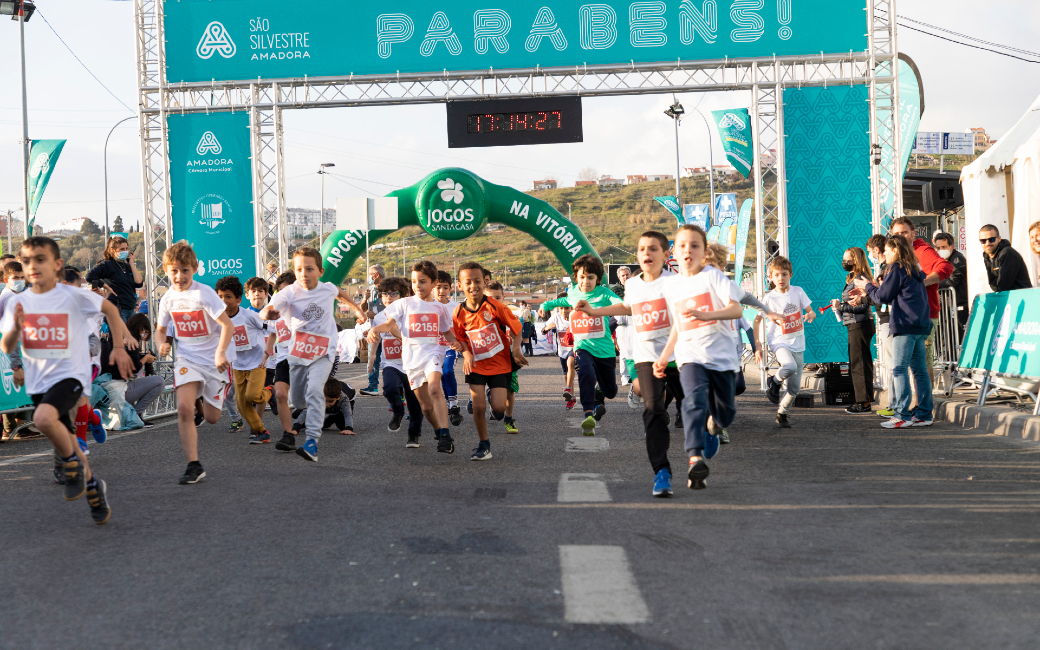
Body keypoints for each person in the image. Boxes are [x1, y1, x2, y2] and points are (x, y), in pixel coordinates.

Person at [0, 236, 134, 524]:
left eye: (40, 259)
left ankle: (70, 463)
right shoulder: (17, 302)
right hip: (39, 381)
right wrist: (17, 351)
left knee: (44, 419)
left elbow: (110, 309)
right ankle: (93, 486)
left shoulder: (71, 295)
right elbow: (7, 342)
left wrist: (120, 348)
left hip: (71, 376)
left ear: (57, 264)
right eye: (26, 261)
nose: (32, 266)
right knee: (70, 440)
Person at [576, 231, 682, 496]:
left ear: (667, 255)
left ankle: (705, 437)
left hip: (679, 356)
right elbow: (627, 308)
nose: (647, 253)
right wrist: (593, 311)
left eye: (653, 249)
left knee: (693, 406)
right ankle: (662, 472)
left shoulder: (677, 283)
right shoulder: (634, 285)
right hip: (646, 357)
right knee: (653, 411)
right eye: (642, 249)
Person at [656, 225, 744, 491]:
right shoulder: (671, 286)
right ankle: (695, 458)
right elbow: (677, 325)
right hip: (690, 356)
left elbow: (737, 309)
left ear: (704, 252)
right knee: (692, 401)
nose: (688, 250)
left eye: (694, 245)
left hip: (722, 359)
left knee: (726, 413)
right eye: (682, 245)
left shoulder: (714, 278)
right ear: (674, 251)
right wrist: (663, 356)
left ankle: (715, 424)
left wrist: (708, 315)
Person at [259, 248, 366, 462]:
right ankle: (305, 409)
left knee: (316, 390)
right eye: (299, 269)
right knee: (298, 401)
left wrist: (356, 309)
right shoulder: (289, 292)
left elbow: (339, 291)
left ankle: (312, 442)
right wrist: (267, 313)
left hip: (323, 351)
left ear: (320, 271)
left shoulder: (326, 289)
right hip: (298, 354)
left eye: (309, 269)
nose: (304, 274)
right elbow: (270, 307)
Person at [155, 242, 236, 484]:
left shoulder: (204, 294)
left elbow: (227, 325)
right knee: (184, 409)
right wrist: (162, 344)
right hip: (187, 358)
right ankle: (193, 464)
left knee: (212, 417)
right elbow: (160, 330)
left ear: (195, 269)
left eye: (185, 271)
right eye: (174, 271)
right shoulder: (167, 298)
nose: (179, 277)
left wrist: (221, 353)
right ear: (166, 271)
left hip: (214, 362)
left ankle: (219, 388)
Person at [367, 261, 460, 453]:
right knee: (425, 408)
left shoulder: (439, 308)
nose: (417, 285)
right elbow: (388, 324)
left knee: (435, 388)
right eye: (414, 281)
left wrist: (460, 345)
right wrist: (375, 329)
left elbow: (447, 333)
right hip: (412, 360)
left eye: (423, 281)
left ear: (434, 283)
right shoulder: (404, 304)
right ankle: (438, 430)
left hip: (433, 354)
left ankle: (445, 433)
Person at [855, 236, 933, 429]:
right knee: (919, 371)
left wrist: (868, 287)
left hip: (905, 324)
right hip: (920, 324)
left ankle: (902, 414)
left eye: (887, 250)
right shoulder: (913, 268)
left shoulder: (896, 268)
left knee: (899, 369)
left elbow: (882, 297)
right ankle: (924, 414)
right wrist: (872, 290)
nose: (885, 253)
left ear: (896, 251)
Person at [539, 255, 622, 436]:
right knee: (585, 372)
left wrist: (600, 310)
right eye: (582, 277)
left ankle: (600, 393)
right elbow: (562, 301)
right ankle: (588, 413)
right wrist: (545, 304)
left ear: (598, 279)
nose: (586, 281)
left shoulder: (604, 294)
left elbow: (621, 305)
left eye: (590, 277)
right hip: (582, 347)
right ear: (576, 277)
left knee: (611, 391)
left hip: (605, 350)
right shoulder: (574, 293)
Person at [453, 263, 528, 460]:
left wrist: (516, 348)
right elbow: (460, 336)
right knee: (478, 407)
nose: (473, 286)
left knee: (498, 408)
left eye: (477, 281)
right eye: (467, 282)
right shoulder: (458, 312)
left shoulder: (496, 306)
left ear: (484, 281)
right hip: (475, 364)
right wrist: (466, 353)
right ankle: (483, 444)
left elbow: (517, 328)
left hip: (499, 364)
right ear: (460, 285)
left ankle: (493, 398)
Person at [755, 256, 816, 428]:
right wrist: (758, 345)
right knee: (789, 366)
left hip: (797, 342)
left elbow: (811, 312)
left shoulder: (798, 291)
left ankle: (782, 413)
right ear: (770, 277)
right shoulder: (769, 298)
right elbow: (757, 320)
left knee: (794, 389)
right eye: (776, 275)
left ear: (790, 275)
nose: (780, 278)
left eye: (784, 274)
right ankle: (774, 382)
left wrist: (810, 315)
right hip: (778, 341)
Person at [889, 217, 953, 381]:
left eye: (905, 232)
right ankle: (919, 403)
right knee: (911, 365)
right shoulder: (896, 253)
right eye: (897, 233)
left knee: (922, 363)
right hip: (906, 316)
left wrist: (922, 282)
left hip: (925, 315)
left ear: (913, 233)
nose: (901, 236)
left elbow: (946, 267)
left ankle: (925, 404)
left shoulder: (921, 250)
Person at [216, 276, 273, 445]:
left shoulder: (248, 316)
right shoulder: (218, 319)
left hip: (257, 362)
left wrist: (266, 353)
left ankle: (272, 391)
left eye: (228, 297)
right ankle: (261, 431)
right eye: (220, 297)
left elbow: (270, 330)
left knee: (253, 395)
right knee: (241, 404)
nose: (223, 301)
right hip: (238, 365)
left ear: (239, 299)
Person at [371, 276, 425, 443]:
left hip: (412, 365)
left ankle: (414, 435)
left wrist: (399, 335)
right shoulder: (379, 317)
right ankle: (398, 411)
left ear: (403, 295)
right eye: (385, 293)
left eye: (394, 293)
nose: (388, 297)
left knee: (415, 404)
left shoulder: (412, 314)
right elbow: (377, 339)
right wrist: (372, 355)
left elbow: (419, 342)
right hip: (391, 364)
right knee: (389, 388)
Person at [831, 247, 876, 415]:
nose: (844, 262)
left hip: (860, 324)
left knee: (860, 364)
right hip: (855, 324)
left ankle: (863, 403)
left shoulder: (860, 278)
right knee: (858, 362)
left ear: (855, 260)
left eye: (846, 259)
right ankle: (861, 400)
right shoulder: (854, 277)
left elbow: (864, 305)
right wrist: (840, 307)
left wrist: (840, 306)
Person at [102, 314, 165, 423]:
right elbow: (135, 368)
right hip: (119, 389)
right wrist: (145, 359)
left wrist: (140, 356)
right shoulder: (132, 340)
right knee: (159, 382)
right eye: (144, 330)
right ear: (141, 327)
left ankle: (131, 414)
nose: (144, 334)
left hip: (107, 388)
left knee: (139, 381)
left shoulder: (117, 336)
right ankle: (135, 416)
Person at [484, 280, 523, 434]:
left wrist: (516, 346)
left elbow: (517, 331)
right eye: (490, 298)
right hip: (488, 358)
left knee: (510, 390)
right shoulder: (481, 316)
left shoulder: (507, 313)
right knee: (493, 388)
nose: (494, 301)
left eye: (497, 297)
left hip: (507, 357)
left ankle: (509, 419)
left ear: (503, 297)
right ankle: (490, 397)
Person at [268, 271, 298, 452]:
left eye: (287, 290)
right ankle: (288, 434)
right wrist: (266, 353)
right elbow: (272, 333)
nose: (283, 295)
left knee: (303, 399)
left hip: (304, 357)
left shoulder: (305, 308)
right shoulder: (276, 309)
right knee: (280, 395)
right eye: (280, 291)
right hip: (283, 357)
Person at [85, 236, 144, 322]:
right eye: (122, 249)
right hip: (117, 309)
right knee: (120, 335)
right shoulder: (107, 265)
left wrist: (131, 263)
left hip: (130, 309)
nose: (125, 251)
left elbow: (139, 283)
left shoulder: (127, 266)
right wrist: (105, 286)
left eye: (127, 248)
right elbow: (89, 276)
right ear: (113, 250)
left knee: (130, 335)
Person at [435, 270, 464, 427]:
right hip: (432, 349)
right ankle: (449, 405)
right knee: (438, 377)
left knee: (447, 371)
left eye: (445, 287)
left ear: (451, 288)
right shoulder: (427, 305)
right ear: (433, 287)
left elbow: (462, 328)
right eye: (438, 287)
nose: (442, 291)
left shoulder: (456, 307)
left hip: (450, 347)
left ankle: (453, 405)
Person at [932, 232, 968, 338]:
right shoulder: (940, 261)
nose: (940, 250)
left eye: (943, 247)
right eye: (938, 248)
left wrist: (932, 284)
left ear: (951, 247)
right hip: (948, 306)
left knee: (959, 337)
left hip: (960, 305)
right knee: (950, 337)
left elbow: (951, 280)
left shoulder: (957, 259)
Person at [542, 304, 576, 409]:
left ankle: (568, 388)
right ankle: (571, 398)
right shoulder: (556, 317)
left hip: (574, 348)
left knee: (571, 363)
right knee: (567, 376)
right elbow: (543, 330)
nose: (564, 311)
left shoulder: (575, 316)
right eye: (561, 308)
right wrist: (548, 327)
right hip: (562, 350)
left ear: (571, 308)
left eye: (566, 308)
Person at [360, 264, 387, 396]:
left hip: (388, 331)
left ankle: (396, 387)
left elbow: (392, 312)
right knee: (373, 358)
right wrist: (365, 298)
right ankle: (373, 386)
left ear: (376, 275)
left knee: (389, 359)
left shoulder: (388, 290)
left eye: (370, 274)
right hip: (373, 330)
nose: (368, 277)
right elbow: (363, 308)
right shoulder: (370, 290)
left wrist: (376, 316)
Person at [980, 224, 1032, 292]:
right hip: (1010, 298)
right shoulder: (987, 255)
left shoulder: (1007, 253)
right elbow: (993, 285)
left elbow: (1003, 286)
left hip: (1022, 297)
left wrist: (997, 286)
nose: (987, 243)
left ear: (999, 239)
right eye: (983, 241)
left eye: (991, 239)